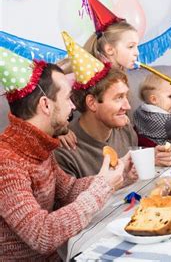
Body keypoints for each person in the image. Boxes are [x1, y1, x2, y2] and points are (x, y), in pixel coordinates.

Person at [0, 48, 124, 260]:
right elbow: (42, 234)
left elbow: (67, 191)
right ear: (46, 105)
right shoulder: (6, 162)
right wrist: (101, 188)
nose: (73, 106)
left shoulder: (39, 147)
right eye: (67, 98)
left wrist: (117, 174)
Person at [54, 33, 171, 178]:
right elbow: (73, 197)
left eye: (126, 96)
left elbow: (131, 179)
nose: (128, 106)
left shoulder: (125, 129)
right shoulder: (65, 151)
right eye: (118, 98)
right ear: (92, 103)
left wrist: (150, 159)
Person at [57, 0, 139, 150]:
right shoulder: (85, 75)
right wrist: (60, 129)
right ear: (110, 49)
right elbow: (53, 101)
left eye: (137, 46)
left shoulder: (119, 77)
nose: (137, 52)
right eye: (131, 46)